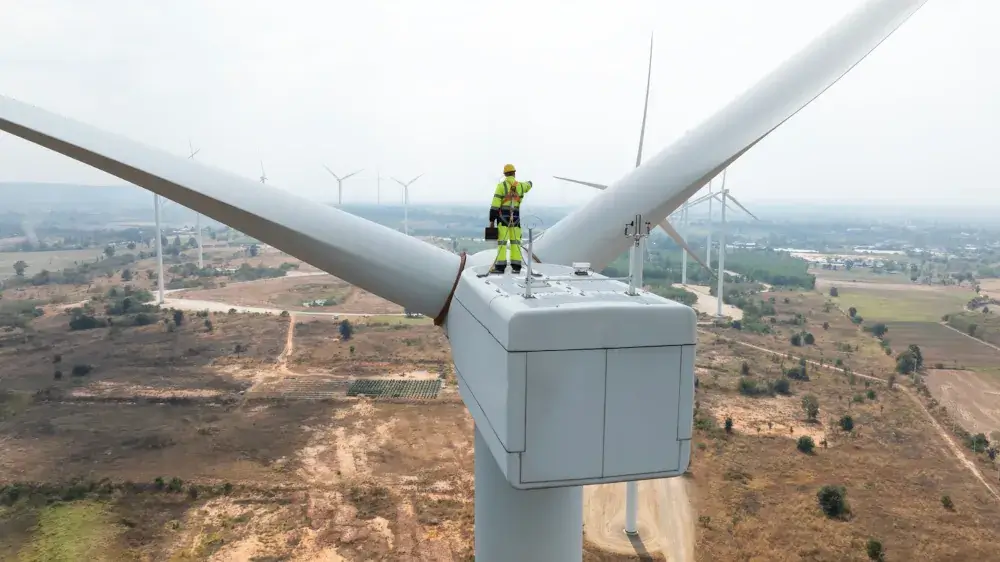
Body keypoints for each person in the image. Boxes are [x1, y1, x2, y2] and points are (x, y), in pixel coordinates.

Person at [488, 163, 533, 274]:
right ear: (514, 173)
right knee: (515, 242)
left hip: (503, 219)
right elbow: (529, 185)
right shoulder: (521, 186)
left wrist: (492, 220)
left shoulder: (501, 186)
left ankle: (500, 267)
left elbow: (495, 205)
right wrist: (530, 183)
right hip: (516, 219)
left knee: (502, 243)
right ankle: (516, 267)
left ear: (505, 174)